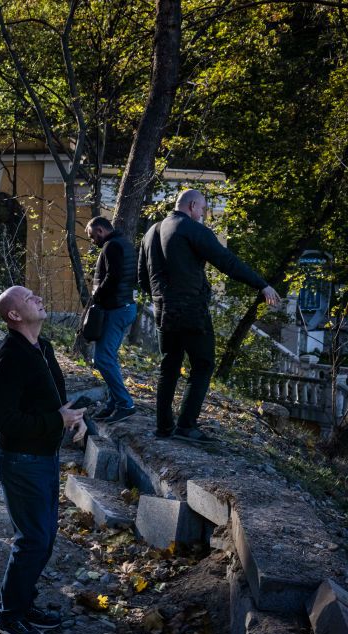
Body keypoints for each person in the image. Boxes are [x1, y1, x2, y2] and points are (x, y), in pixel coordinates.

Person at [138, 189, 280, 444]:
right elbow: (227, 261)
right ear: (192, 206)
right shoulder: (191, 228)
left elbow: (142, 278)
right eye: (202, 209)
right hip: (190, 309)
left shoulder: (151, 232)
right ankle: (186, 426)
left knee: (169, 365)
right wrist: (262, 284)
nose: (203, 213)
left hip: (162, 309)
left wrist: (162, 298)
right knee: (203, 365)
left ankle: (163, 427)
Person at [0, 285, 87, 634]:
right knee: (32, 540)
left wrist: (75, 419)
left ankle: (23, 605)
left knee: (44, 541)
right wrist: (56, 421)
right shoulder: (9, 357)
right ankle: (9, 616)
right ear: (14, 315)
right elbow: (8, 422)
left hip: (45, 458)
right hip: (21, 461)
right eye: (29, 298)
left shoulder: (42, 349)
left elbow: (55, 401)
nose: (39, 298)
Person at [86, 216, 138, 423]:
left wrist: (97, 295)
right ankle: (113, 403)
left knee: (102, 359)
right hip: (124, 307)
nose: (92, 241)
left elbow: (113, 276)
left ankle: (125, 404)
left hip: (116, 309)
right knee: (108, 358)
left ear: (100, 230)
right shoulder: (124, 244)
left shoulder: (111, 246)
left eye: (92, 236)